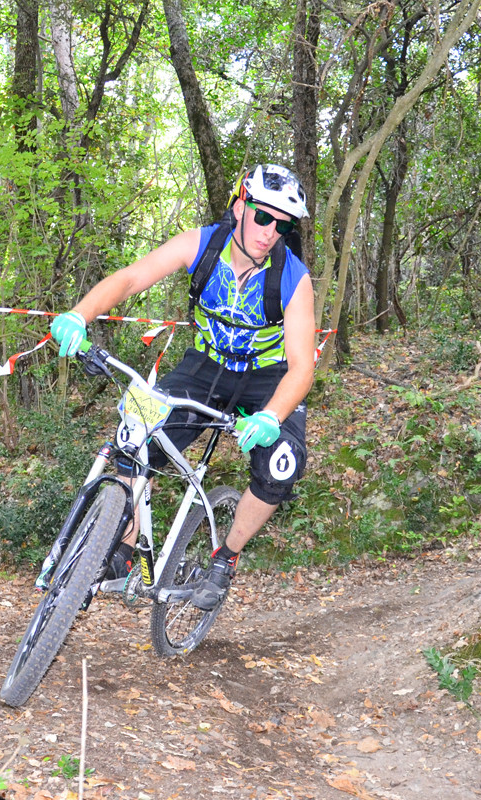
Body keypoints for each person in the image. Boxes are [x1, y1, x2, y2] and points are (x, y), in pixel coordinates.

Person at [49, 164, 316, 611]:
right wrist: (81, 314)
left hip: (266, 379)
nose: (271, 232)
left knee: (282, 466)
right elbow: (132, 278)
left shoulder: (293, 279)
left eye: (283, 225)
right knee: (134, 438)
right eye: (264, 217)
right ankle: (121, 548)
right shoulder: (201, 244)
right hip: (204, 366)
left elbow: (302, 368)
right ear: (240, 207)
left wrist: (271, 416)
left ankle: (225, 558)